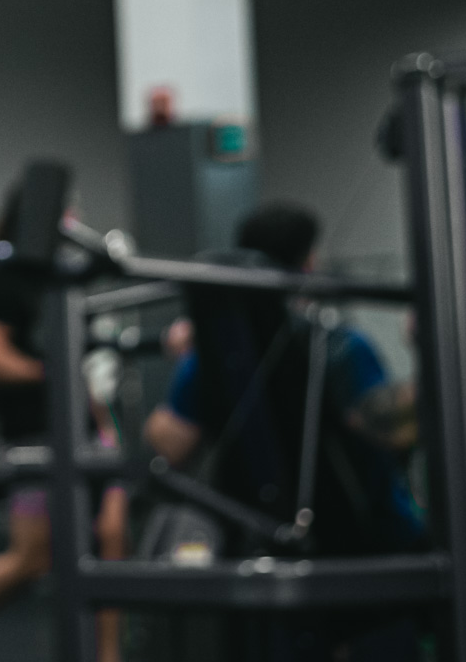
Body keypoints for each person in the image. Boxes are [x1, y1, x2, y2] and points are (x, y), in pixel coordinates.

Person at [143, 202, 425, 552]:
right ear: (307, 264)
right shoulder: (339, 348)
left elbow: (168, 443)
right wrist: (429, 346)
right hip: (365, 548)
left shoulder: (212, 360)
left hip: (257, 546)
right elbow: (396, 431)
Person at [0, 191, 127, 662]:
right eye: (64, 214)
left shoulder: (54, 282)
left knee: (112, 542)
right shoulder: (8, 280)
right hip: (36, 438)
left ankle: (109, 657)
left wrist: (104, 429)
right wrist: (45, 372)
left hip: (85, 434)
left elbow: (78, 369)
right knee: (31, 558)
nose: (73, 222)